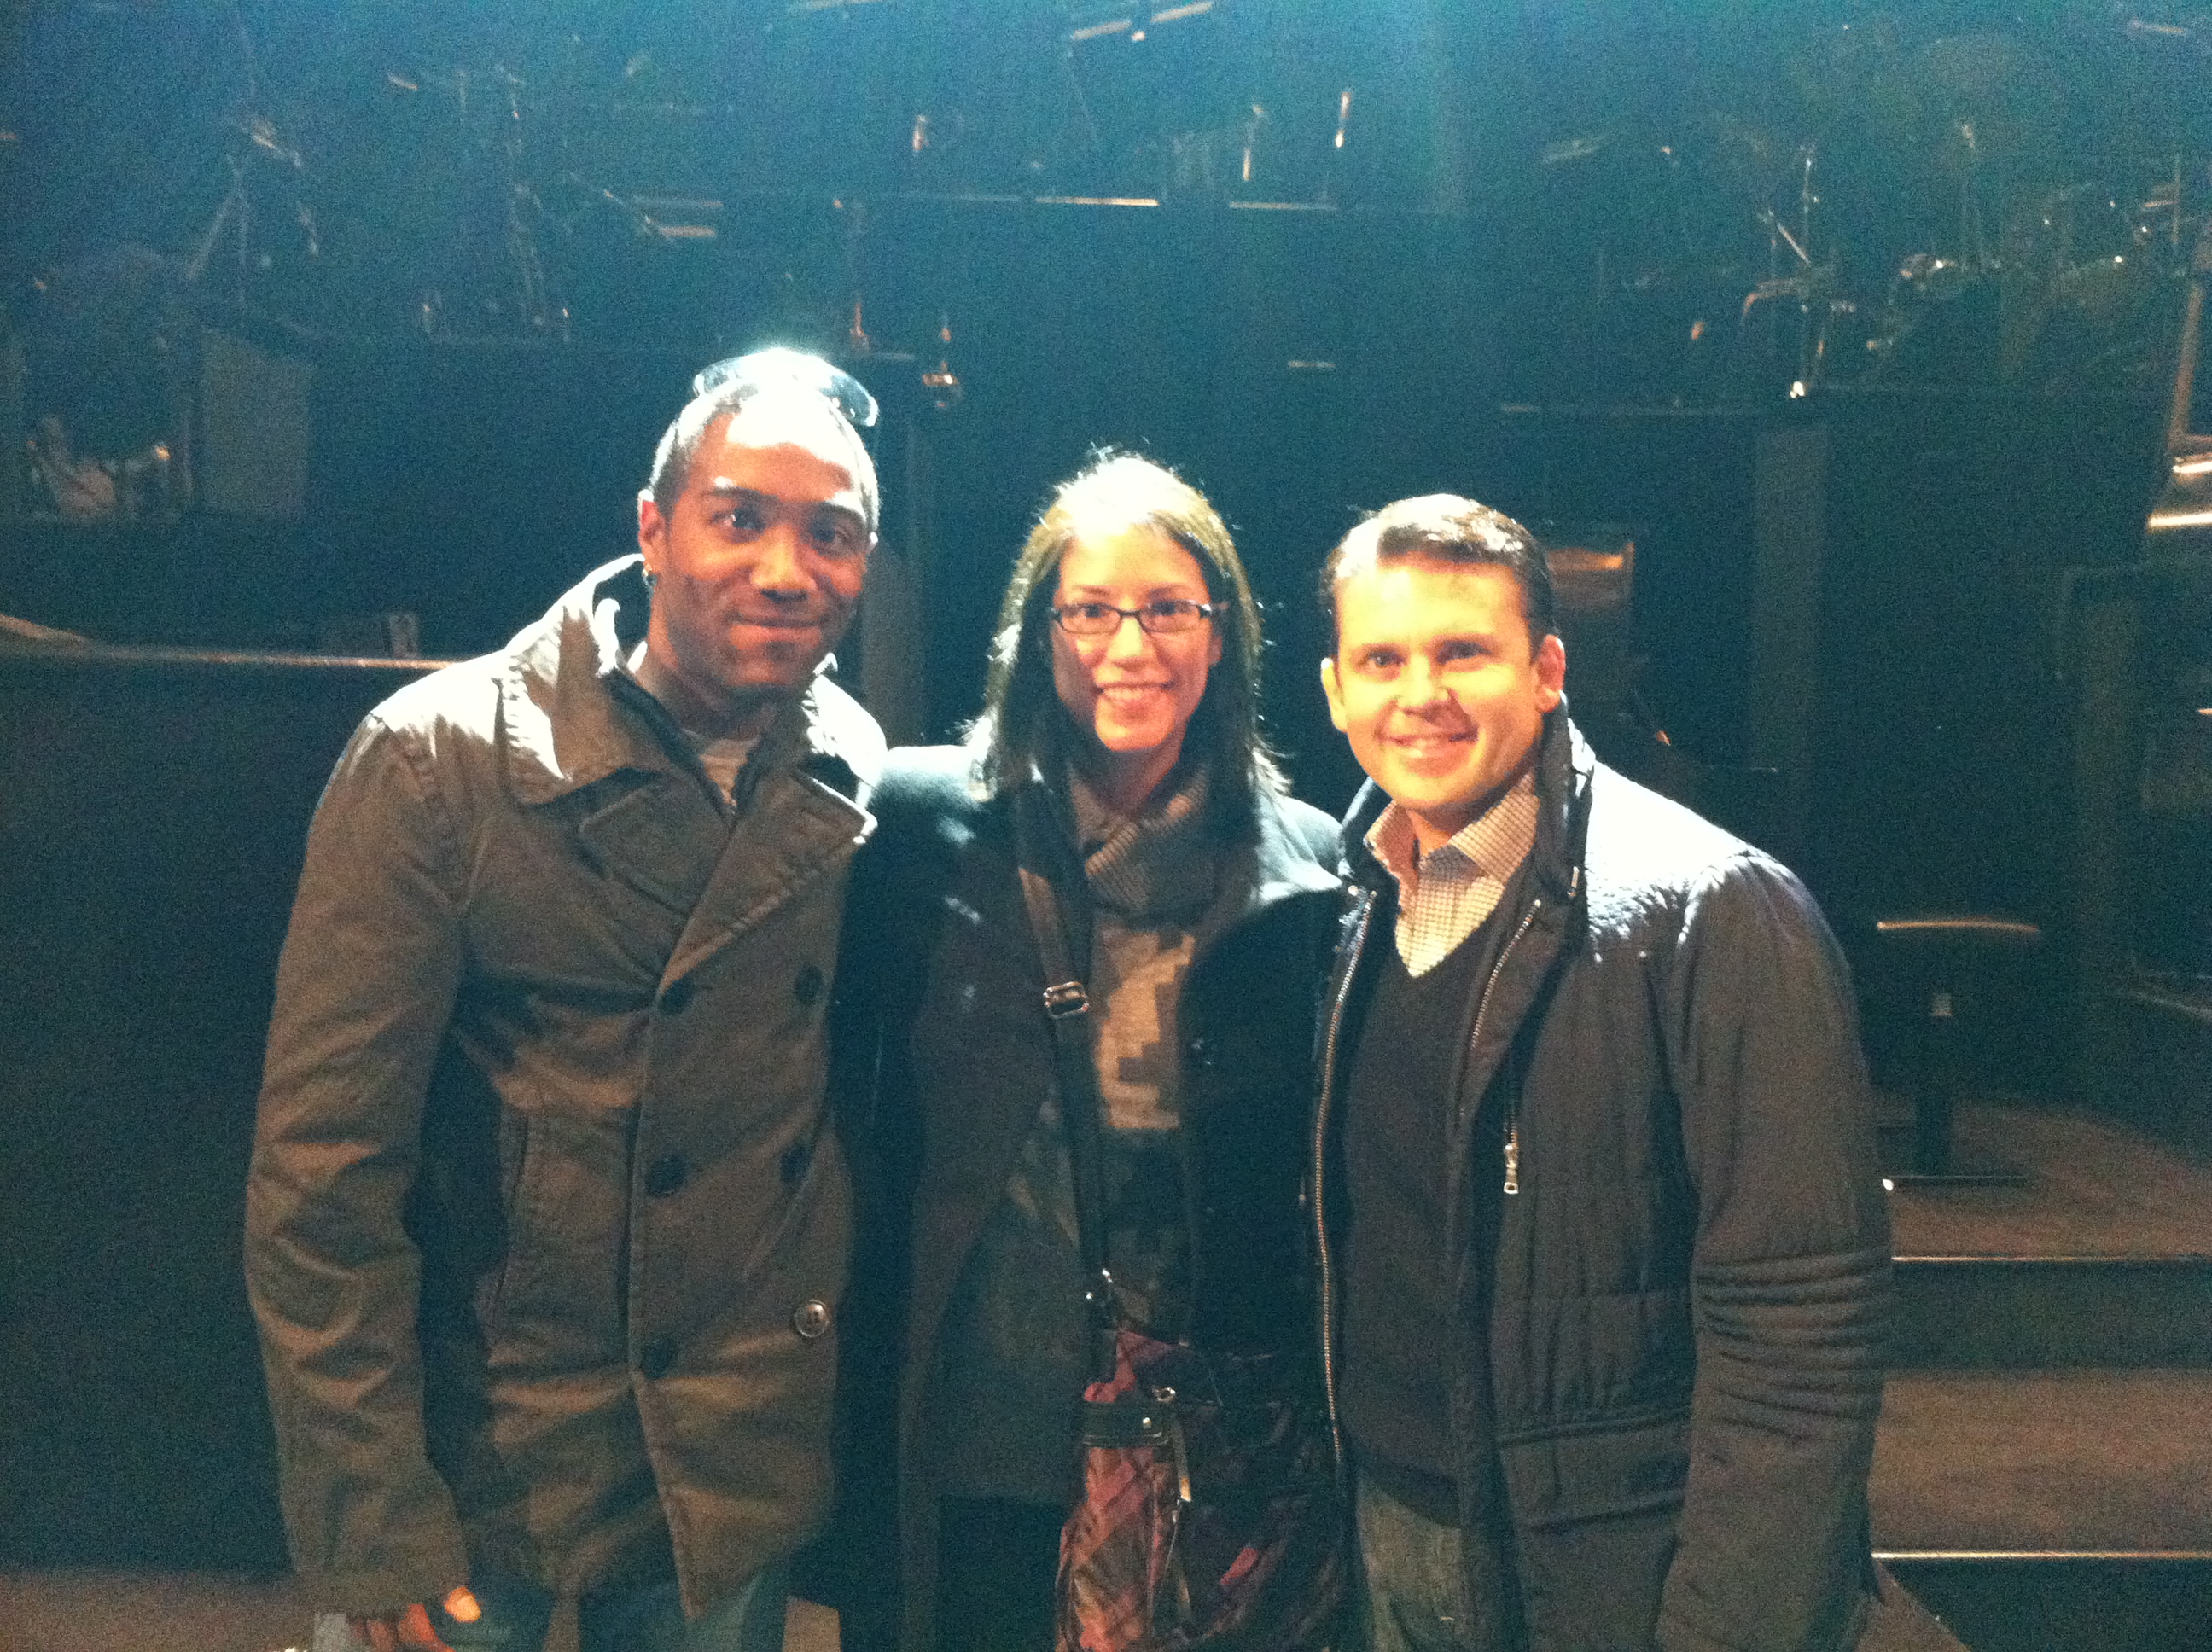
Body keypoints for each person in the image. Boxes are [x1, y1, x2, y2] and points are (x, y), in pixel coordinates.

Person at [244, 348, 888, 1652]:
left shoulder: (847, 759)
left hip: (726, 1460)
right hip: (487, 1458)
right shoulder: (439, 762)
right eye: (740, 519)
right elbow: (322, 1178)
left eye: (831, 534)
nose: (786, 569)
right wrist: (372, 1515)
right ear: (653, 530)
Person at [1313, 495, 1892, 1650]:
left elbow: (1800, 1334)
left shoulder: (1716, 911)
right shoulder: (1356, 895)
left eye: (1463, 652)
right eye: (1382, 659)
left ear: (1547, 672)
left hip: (1603, 1571)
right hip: (1389, 1532)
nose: (1419, 693)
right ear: (1335, 690)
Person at [835, 453, 1342, 1652]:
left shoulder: (1309, 864)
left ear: (1221, 635)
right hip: (980, 1425)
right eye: (1092, 610)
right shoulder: (917, 824)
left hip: (1210, 1441)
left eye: (1168, 608)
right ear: (1038, 632)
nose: (1130, 645)